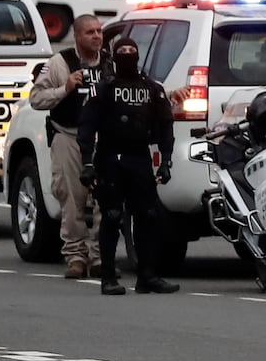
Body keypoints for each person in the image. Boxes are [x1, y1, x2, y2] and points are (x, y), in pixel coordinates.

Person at [76, 29, 178, 296]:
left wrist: (166, 161)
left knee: (148, 216)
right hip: (110, 157)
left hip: (139, 157)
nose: (127, 56)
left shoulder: (151, 89)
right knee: (111, 216)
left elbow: (166, 125)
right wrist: (87, 163)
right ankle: (108, 277)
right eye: (122, 53)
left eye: (131, 52)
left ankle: (147, 276)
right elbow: (86, 127)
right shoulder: (104, 89)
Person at [26, 15, 106, 279]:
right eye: (90, 32)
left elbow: (139, 85)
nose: (96, 36)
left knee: (103, 201)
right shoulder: (59, 64)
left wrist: (171, 93)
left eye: (99, 31)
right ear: (77, 37)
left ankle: (99, 257)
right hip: (68, 137)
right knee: (72, 200)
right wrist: (65, 88)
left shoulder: (110, 64)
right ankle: (75, 256)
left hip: (101, 141)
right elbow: (36, 98)